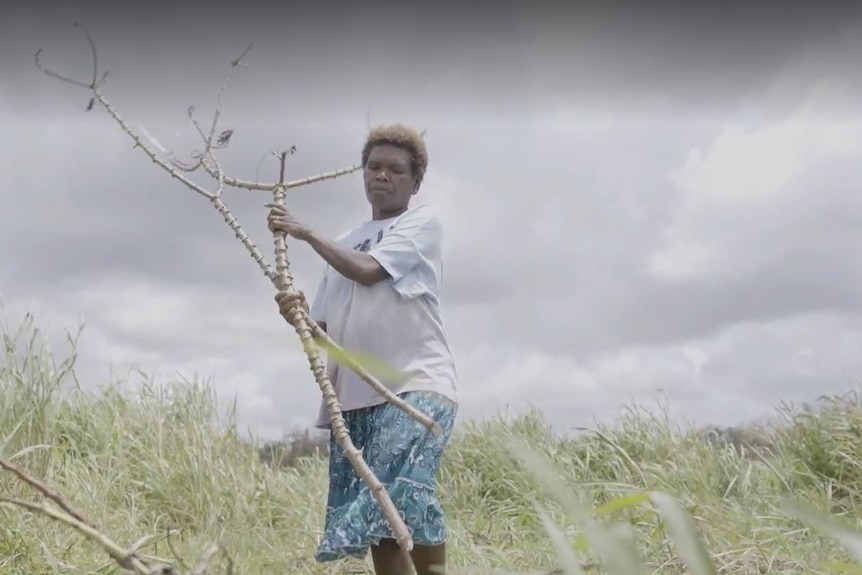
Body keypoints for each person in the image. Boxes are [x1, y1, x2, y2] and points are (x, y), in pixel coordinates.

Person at [266, 123, 459, 575]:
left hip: (416, 385)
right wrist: (294, 312)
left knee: (406, 495)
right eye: (374, 167)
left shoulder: (421, 223)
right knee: (377, 514)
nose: (382, 176)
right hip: (355, 397)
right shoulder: (347, 240)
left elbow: (370, 271)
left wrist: (306, 234)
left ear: (416, 180)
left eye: (395, 169)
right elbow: (325, 331)